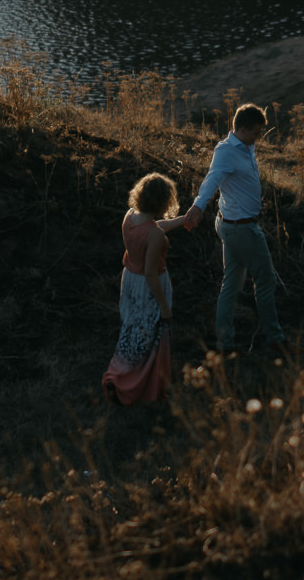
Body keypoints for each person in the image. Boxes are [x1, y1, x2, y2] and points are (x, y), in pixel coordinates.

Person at [179, 103, 284, 352]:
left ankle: (225, 344)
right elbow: (212, 180)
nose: (259, 138)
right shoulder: (226, 152)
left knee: (231, 285)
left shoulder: (247, 146)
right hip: (242, 229)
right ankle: (276, 339)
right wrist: (198, 206)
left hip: (234, 223)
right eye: (257, 132)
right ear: (243, 129)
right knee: (266, 280)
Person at [102, 172, 179, 405]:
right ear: (162, 201)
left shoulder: (130, 216)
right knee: (148, 335)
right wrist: (165, 307)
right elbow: (151, 272)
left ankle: (121, 374)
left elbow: (154, 227)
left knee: (131, 331)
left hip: (130, 280)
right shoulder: (154, 234)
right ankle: (129, 384)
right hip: (148, 286)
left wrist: (182, 220)